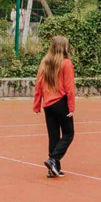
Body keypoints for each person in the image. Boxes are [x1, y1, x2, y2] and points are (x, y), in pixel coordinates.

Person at [32, 35, 76, 178]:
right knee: (69, 134)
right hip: (60, 103)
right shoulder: (66, 63)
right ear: (64, 47)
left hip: (48, 105)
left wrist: (37, 105)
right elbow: (69, 87)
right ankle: (53, 159)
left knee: (54, 136)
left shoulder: (44, 63)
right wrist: (71, 107)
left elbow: (38, 85)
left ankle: (52, 169)